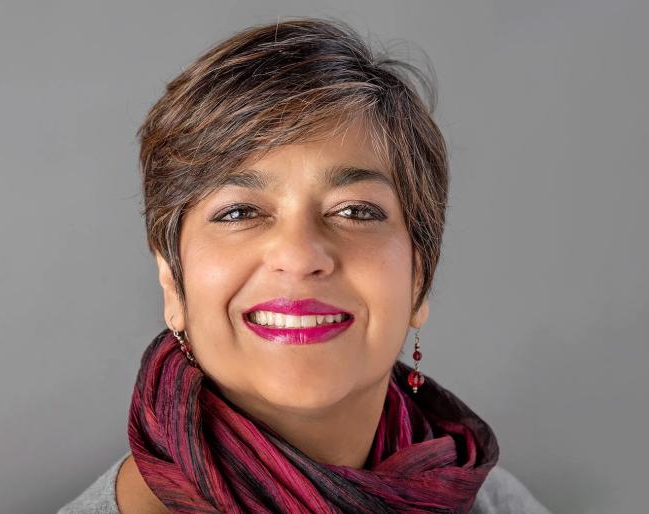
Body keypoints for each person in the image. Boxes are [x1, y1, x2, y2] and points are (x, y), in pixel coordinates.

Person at [59, 17, 552, 514]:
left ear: (419, 280)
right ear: (172, 279)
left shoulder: (500, 504)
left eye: (355, 211)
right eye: (240, 212)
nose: (299, 256)